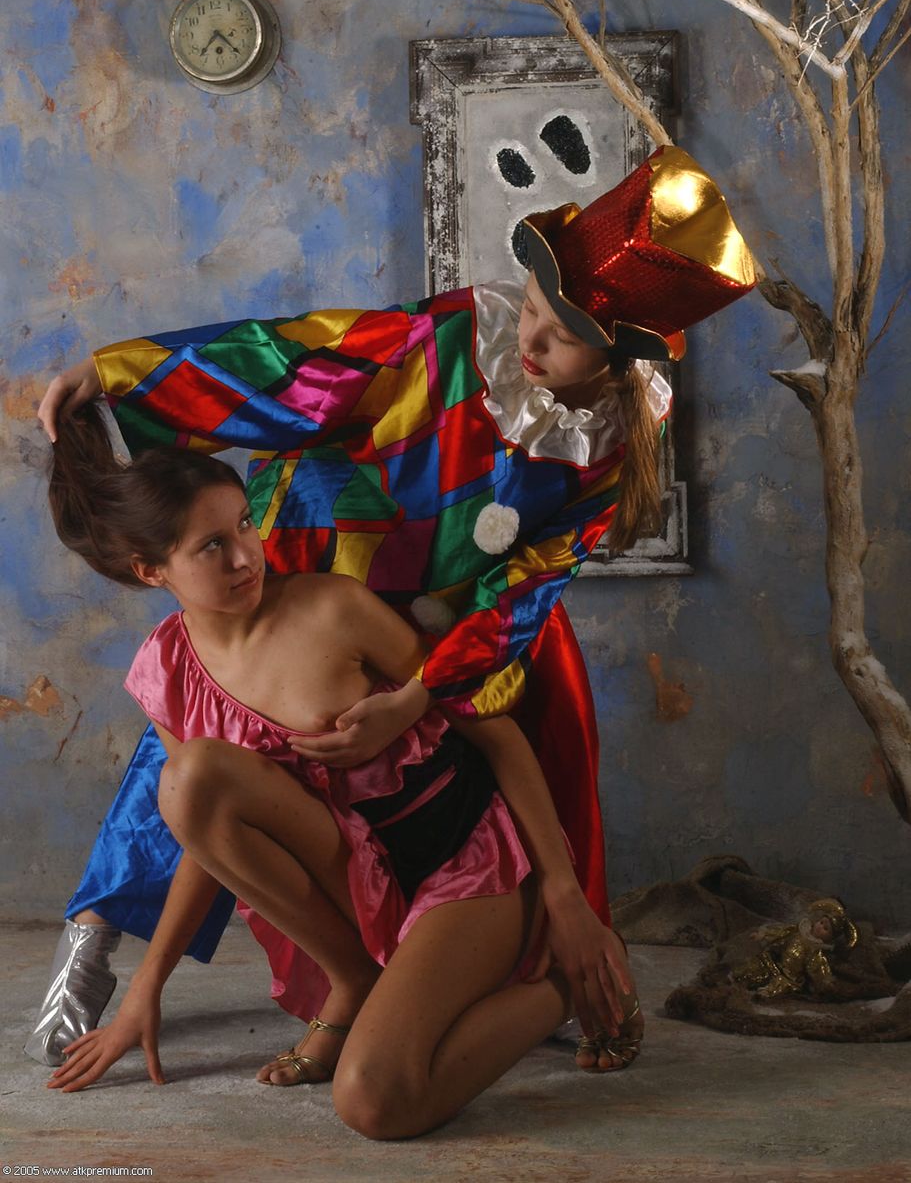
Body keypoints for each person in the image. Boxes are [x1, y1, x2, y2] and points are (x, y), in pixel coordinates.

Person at [30, 144, 757, 1072]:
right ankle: (100, 934)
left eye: (561, 336)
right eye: (533, 308)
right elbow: (299, 360)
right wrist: (126, 375)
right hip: (328, 550)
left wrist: (425, 691)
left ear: (618, 361)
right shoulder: (453, 336)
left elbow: (530, 581)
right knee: (207, 730)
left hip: (463, 616)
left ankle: (525, 950)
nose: (530, 339)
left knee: (528, 730)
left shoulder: (613, 444)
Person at [41, 405, 638, 1133]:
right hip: (352, 875)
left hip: (461, 864)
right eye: (211, 546)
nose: (244, 557)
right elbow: (202, 835)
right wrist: (147, 986)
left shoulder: (332, 607)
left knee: (375, 1102)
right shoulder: (165, 668)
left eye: (245, 526)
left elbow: (499, 736)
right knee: (189, 777)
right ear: (151, 570)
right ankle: (353, 979)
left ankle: (560, 985)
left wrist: (566, 896)